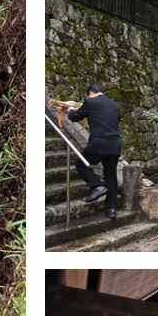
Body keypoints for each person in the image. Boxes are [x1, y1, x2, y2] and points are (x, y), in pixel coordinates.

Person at [58, 83, 122, 219]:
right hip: (115, 144)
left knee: (81, 165)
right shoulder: (114, 105)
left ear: (91, 93)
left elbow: (74, 117)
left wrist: (69, 109)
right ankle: (111, 209)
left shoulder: (90, 101)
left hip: (99, 143)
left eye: (88, 95)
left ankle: (97, 186)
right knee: (111, 175)